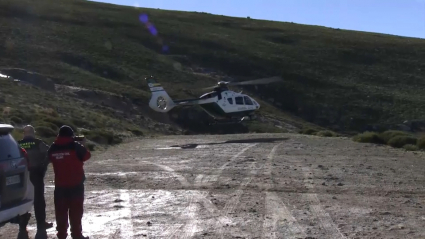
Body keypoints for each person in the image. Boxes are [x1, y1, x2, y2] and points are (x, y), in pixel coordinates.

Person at [47, 125, 91, 239]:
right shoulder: (75, 146)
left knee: (61, 212)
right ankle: (76, 235)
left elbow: (49, 158)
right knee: (76, 212)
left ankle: (61, 235)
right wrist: (83, 145)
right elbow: (87, 156)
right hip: (76, 185)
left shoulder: (53, 147)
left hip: (60, 186)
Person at [17, 125, 54, 239]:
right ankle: (41, 228)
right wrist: (43, 166)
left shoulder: (17, 144)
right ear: (33, 132)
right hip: (36, 175)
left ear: (24, 133)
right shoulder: (38, 143)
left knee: (23, 203)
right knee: (39, 202)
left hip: (22, 178)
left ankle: (22, 229)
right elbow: (49, 154)